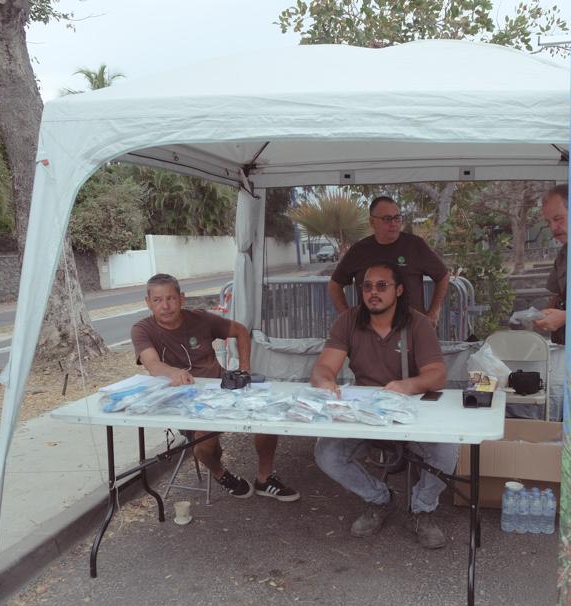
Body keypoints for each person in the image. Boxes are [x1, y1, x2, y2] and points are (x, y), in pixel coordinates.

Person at [311, 262, 456, 549]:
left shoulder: (418, 323)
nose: (372, 292)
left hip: (411, 410)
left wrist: (407, 386)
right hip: (366, 411)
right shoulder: (348, 321)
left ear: (399, 290)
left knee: (447, 450)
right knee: (327, 454)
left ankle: (422, 509)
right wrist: (326, 382)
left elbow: (437, 375)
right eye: (367, 286)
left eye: (381, 286)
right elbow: (322, 369)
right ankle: (380, 499)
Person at [131, 273, 299, 502]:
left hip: (223, 388)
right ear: (148, 302)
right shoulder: (142, 329)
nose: (165, 306)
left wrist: (245, 369)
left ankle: (265, 478)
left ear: (182, 298)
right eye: (158, 300)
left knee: (268, 419)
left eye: (170, 298)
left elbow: (240, 331)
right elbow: (151, 363)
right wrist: (174, 372)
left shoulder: (200, 319)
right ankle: (222, 475)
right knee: (204, 448)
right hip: (187, 400)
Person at [329, 196, 450, 326]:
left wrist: (434, 310)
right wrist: (346, 316)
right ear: (372, 222)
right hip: (371, 332)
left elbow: (443, 276)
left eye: (397, 218)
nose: (394, 223)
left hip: (411, 329)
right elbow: (334, 285)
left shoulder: (414, 245)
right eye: (387, 219)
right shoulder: (359, 250)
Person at [533, 184, 568, 343]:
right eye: (548, 222)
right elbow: (559, 295)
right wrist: (543, 315)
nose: (553, 228)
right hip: (564, 344)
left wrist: (566, 317)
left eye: (558, 219)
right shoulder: (564, 253)